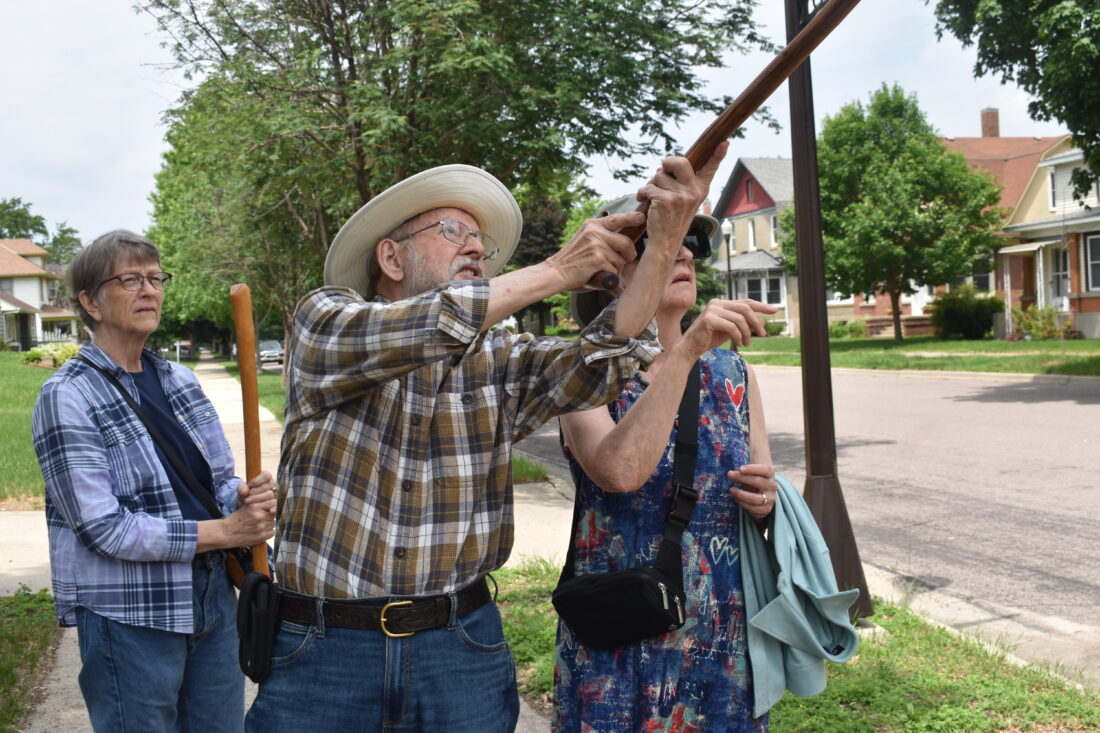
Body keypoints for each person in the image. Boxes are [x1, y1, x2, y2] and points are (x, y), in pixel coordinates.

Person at [244, 148, 727, 733]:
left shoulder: (500, 356)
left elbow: (602, 360)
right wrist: (559, 269)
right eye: (453, 232)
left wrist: (663, 238)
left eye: (480, 239)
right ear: (390, 257)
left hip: (459, 649)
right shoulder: (325, 319)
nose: (475, 247)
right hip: (325, 650)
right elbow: (430, 322)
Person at [32, 230, 277, 733]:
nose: (149, 290)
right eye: (130, 280)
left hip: (212, 595)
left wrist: (243, 499)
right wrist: (226, 530)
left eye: (155, 278)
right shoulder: (67, 396)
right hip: (132, 613)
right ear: (90, 303)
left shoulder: (179, 381)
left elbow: (218, 481)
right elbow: (103, 527)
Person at [553, 197, 779, 732]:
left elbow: (765, 497)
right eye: (660, 242)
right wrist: (687, 350)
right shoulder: (582, 371)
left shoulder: (733, 372)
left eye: (690, 243)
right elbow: (617, 472)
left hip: (723, 637)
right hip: (621, 638)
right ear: (609, 276)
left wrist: (766, 502)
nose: (684, 255)